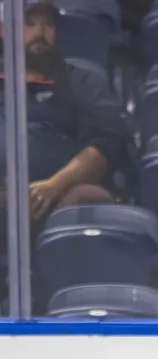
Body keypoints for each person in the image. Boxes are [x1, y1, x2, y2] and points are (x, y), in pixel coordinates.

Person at [1, 0, 129, 220]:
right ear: (4, 31)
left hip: (64, 198)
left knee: (82, 199)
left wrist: (54, 186)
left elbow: (106, 144)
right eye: (29, 23)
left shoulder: (84, 82)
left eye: (48, 24)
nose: (40, 32)